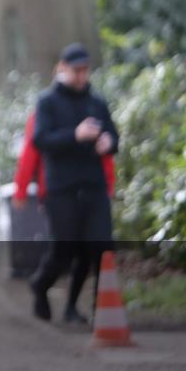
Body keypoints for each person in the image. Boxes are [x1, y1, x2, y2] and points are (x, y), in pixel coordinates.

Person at [26, 43, 118, 324]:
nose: (81, 76)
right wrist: (75, 135)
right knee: (65, 250)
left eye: (85, 70)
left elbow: (114, 136)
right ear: (62, 69)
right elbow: (40, 139)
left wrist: (109, 142)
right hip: (61, 189)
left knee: (100, 249)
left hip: (94, 186)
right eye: (76, 70)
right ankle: (40, 285)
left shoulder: (97, 102)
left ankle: (99, 311)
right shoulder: (48, 102)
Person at [13, 109, 116, 323]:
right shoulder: (45, 112)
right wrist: (21, 189)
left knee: (88, 250)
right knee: (63, 249)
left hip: (89, 194)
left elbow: (102, 152)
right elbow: (30, 152)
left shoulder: (90, 110)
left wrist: (108, 185)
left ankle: (71, 307)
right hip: (56, 194)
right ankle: (41, 285)